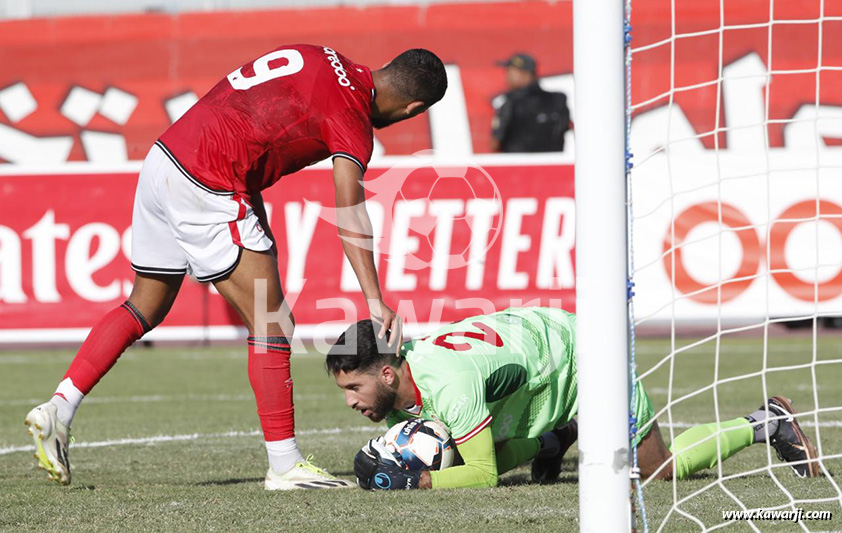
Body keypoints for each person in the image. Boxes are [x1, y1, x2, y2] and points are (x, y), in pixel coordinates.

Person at [24, 44, 448, 491]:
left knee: (144, 306)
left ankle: (59, 408)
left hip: (166, 158)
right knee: (273, 322)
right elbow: (349, 208)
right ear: (413, 109)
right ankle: (284, 465)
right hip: (210, 179)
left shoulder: (322, 55)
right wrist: (374, 298)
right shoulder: (353, 118)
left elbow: (249, 111)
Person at [326, 307, 819, 490]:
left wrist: (419, 482)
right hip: (545, 352)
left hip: (585, 355)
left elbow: (483, 477)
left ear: (388, 373)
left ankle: (765, 422)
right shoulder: (414, 368)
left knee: (657, 471)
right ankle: (559, 436)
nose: (350, 401)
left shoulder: (449, 386)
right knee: (477, 442)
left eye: (354, 387)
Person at [490, 53, 571, 153]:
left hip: (520, 165)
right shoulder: (558, 99)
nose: (507, 77)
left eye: (509, 72)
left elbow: (495, 143)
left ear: (525, 74)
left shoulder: (510, 103)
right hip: (554, 165)